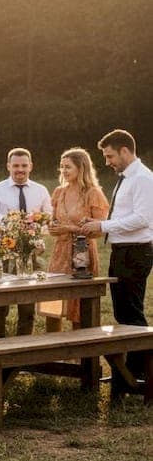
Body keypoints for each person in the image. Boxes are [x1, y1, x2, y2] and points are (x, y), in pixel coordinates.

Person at [81, 129, 153, 390]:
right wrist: (103, 225)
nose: (108, 161)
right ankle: (128, 373)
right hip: (122, 251)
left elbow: (143, 219)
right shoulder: (127, 177)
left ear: (125, 151)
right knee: (123, 312)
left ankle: (142, 374)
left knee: (131, 312)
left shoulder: (143, 179)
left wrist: (103, 226)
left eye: (110, 156)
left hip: (136, 251)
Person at [0, 148, 53, 336]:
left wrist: (37, 234)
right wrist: (14, 221)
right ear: (8, 166)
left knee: (27, 306)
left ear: (31, 166)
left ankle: (23, 350)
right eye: (16, 166)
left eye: (24, 165)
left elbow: (49, 219)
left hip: (30, 254)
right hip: (2, 253)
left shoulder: (41, 190)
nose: (20, 170)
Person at [43, 148, 108, 333]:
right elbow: (55, 221)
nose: (63, 171)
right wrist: (52, 227)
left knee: (79, 306)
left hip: (83, 253)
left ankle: (81, 356)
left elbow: (100, 230)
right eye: (61, 167)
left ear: (81, 168)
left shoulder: (93, 193)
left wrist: (71, 229)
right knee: (52, 303)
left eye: (68, 167)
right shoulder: (59, 192)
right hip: (59, 252)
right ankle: (50, 352)